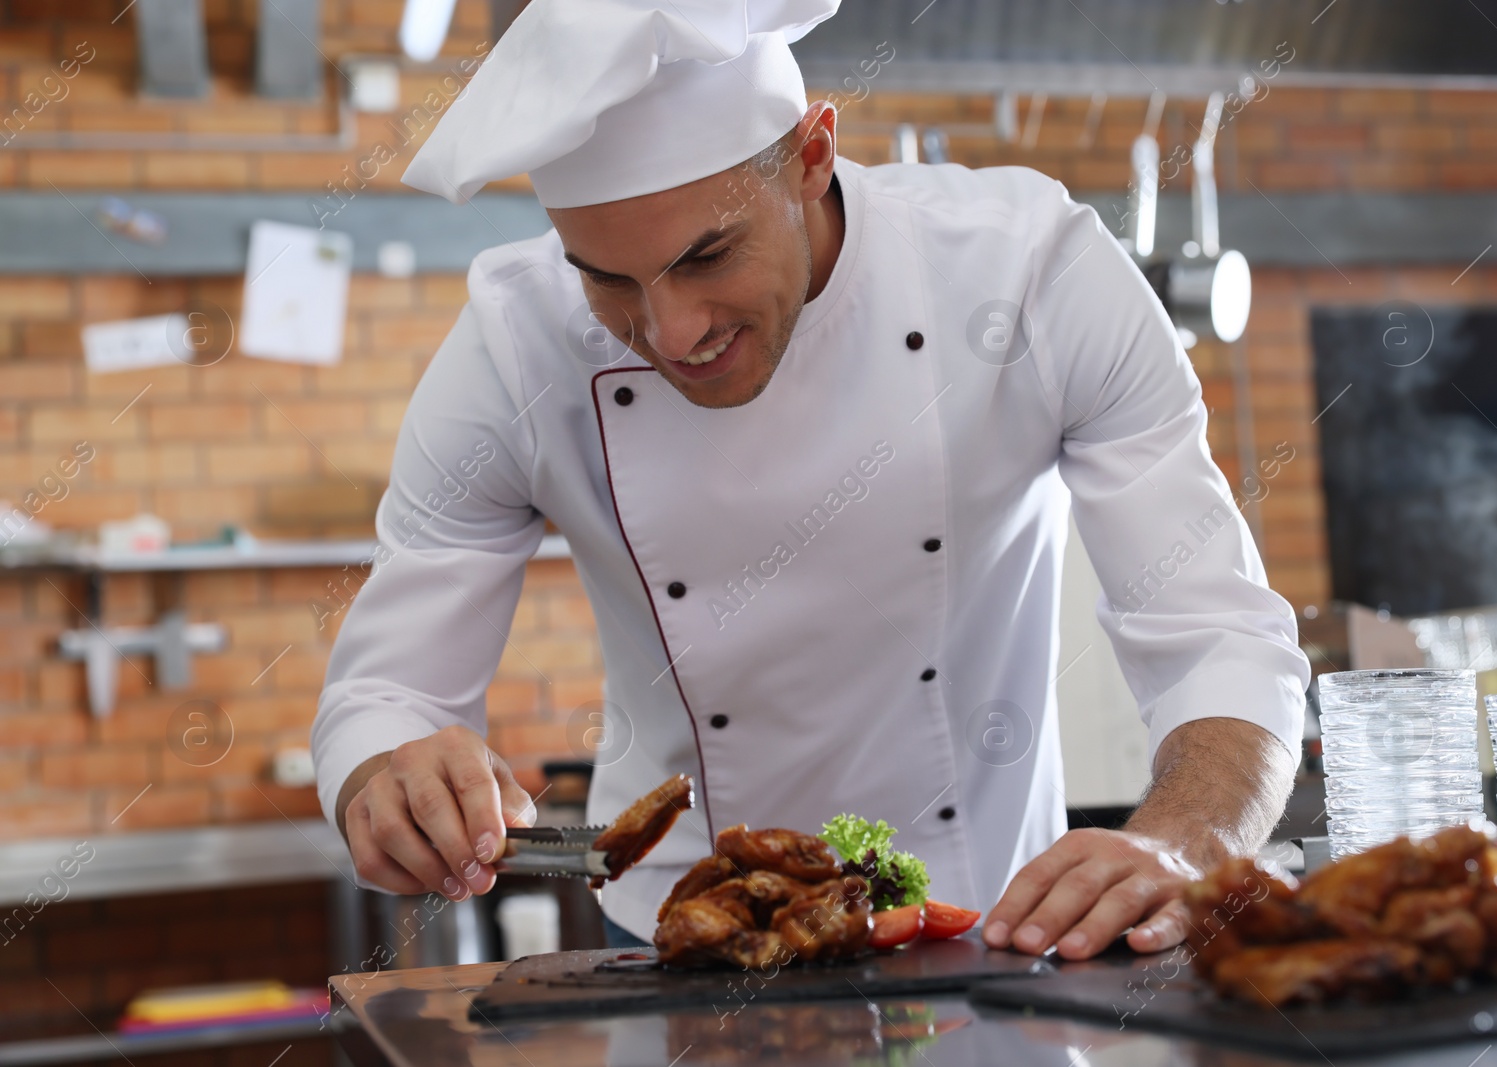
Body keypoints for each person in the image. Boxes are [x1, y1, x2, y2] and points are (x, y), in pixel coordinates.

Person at [311, 0, 1310, 959]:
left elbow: (1215, 634)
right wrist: (389, 776)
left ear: (812, 157)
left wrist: (1186, 837)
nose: (672, 332)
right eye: (606, 280)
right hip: (684, 934)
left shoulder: (1027, 275)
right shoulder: (511, 347)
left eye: (709, 254)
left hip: (991, 920)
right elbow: (388, 687)